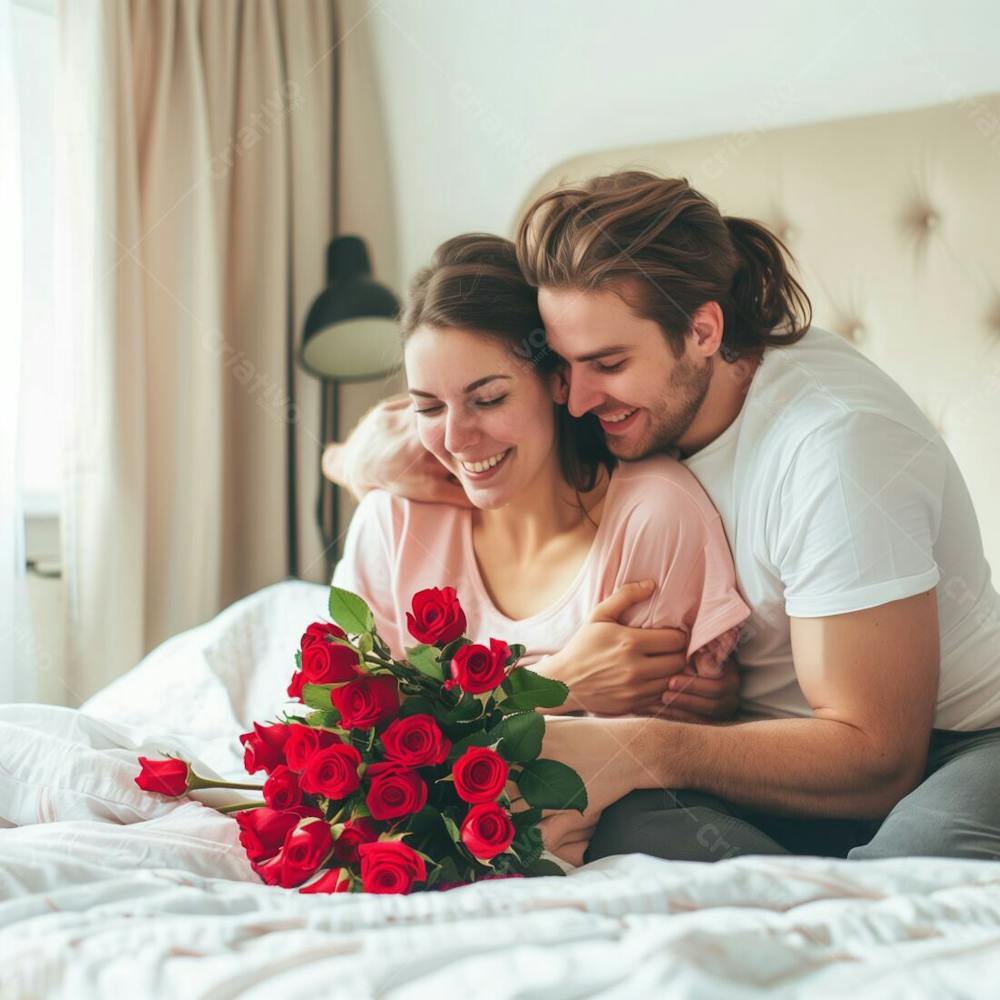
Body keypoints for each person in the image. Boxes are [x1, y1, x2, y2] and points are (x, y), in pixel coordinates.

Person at [325, 171, 1000, 866]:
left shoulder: (834, 449)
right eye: (560, 365)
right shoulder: (625, 404)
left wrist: (640, 746)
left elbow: (877, 758)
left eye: (607, 364)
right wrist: (354, 462)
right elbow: (408, 434)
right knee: (635, 837)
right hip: (759, 751)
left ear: (703, 330)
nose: (577, 399)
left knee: (921, 864)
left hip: (953, 743)